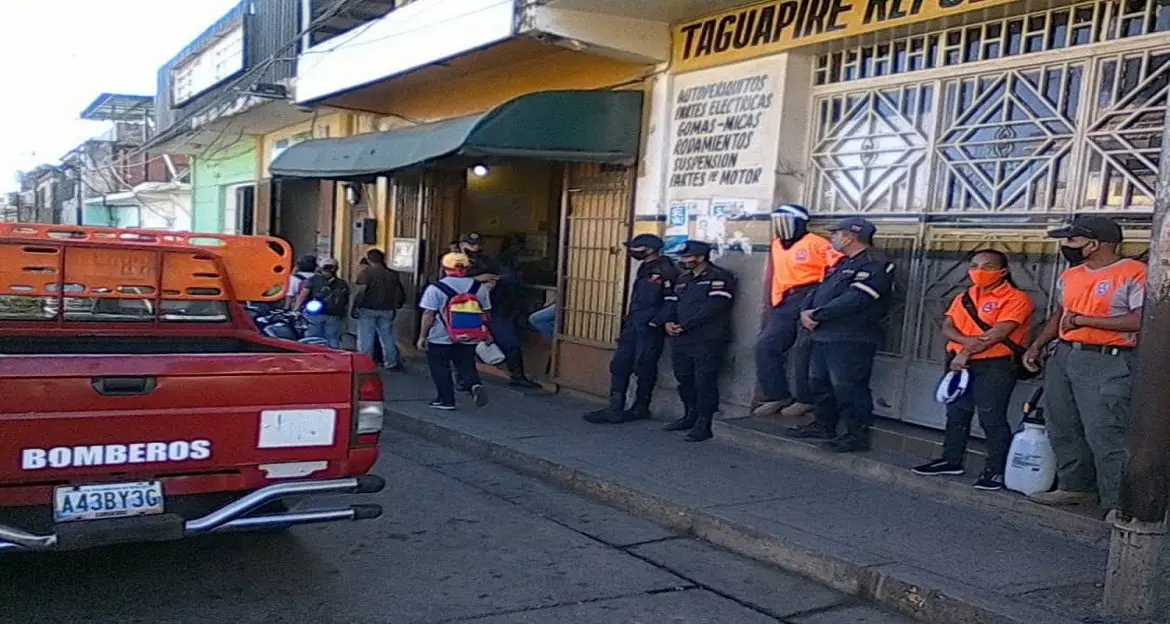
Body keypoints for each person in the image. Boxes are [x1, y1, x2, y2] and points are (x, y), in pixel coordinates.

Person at [1022, 216, 1144, 514]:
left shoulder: (1135, 273)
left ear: (1095, 244)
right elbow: (1060, 315)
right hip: (1066, 355)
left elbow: (1141, 319)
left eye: (1073, 240)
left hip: (1108, 359)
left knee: (1106, 431)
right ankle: (1075, 487)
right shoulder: (1071, 275)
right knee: (1063, 424)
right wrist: (1037, 345)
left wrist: (1082, 321)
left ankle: (1118, 503)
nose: (1066, 246)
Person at [912, 249, 1034, 490]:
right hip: (959, 363)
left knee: (992, 417)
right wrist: (964, 344)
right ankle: (951, 460)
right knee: (956, 413)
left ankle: (996, 470)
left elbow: (998, 333)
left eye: (988, 267)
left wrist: (966, 351)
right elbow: (947, 326)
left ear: (1003, 271)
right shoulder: (965, 296)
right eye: (975, 265)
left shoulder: (1016, 298)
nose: (979, 271)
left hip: (994, 365)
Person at [789, 217, 895, 453]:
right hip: (824, 333)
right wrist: (806, 311)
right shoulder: (844, 262)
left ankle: (855, 435)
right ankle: (824, 425)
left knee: (848, 387)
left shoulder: (875, 263)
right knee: (819, 382)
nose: (833, 237)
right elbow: (819, 289)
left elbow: (856, 298)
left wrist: (818, 314)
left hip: (851, 336)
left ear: (850, 236)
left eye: (837, 233)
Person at [753, 204, 842, 418]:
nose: (781, 226)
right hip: (785, 300)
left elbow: (837, 270)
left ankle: (805, 399)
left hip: (810, 295)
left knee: (804, 351)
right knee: (765, 345)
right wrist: (774, 301)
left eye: (786, 220)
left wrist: (822, 299)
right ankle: (776, 395)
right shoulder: (776, 244)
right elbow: (776, 274)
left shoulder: (817, 243)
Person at [585, 234, 679, 424]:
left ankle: (640, 407)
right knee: (619, 365)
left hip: (649, 327)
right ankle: (615, 408)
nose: (632, 251)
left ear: (650, 249)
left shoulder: (665, 270)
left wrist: (655, 322)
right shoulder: (645, 267)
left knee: (644, 366)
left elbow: (671, 300)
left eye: (637, 248)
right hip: (634, 323)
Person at [655, 240, 737, 442]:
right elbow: (673, 303)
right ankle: (689, 416)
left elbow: (714, 307)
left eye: (687, 257)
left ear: (701, 257)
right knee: (684, 379)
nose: (683, 260)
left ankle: (704, 423)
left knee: (704, 382)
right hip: (681, 339)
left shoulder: (719, 277)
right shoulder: (684, 279)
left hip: (707, 339)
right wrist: (668, 322)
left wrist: (686, 325)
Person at [461, 232, 541, 389]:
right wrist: (477, 280)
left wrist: (496, 281)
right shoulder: (454, 261)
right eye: (471, 245)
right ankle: (464, 379)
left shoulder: (486, 261)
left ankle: (517, 376)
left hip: (494, 308)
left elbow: (506, 275)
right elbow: (449, 283)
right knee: (465, 345)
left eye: (478, 244)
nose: (475, 248)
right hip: (466, 309)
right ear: (462, 245)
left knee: (510, 342)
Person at [417, 252, 490, 410]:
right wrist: (486, 333)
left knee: (440, 367)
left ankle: (446, 400)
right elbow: (485, 313)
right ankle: (474, 384)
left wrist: (422, 336)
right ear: (467, 268)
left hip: (440, 336)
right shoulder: (479, 288)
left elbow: (428, 314)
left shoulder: (435, 288)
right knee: (466, 364)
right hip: (470, 334)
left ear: (444, 268)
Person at [352, 249, 407, 371]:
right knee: (387, 337)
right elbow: (398, 292)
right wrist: (397, 305)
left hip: (368, 309)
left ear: (369, 259)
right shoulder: (392, 274)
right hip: (387, 309)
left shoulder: (366, 273)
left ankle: (365, 363)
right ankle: (391, 362)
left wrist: (355, 306)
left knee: (366, 338)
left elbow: (361, 292)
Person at [296, 258, 348, 349]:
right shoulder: (342, 283)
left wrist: (296, 309)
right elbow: (346, 300)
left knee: (313, 339)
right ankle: (333, 356)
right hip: (335, 315)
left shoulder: (313, 280)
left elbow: (303, 295)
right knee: (332, 339)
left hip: (314, 314)